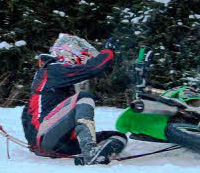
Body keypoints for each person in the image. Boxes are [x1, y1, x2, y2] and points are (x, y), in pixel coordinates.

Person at [21, 33, 127, 165]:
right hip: (45, 137)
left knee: (118, 136)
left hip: (60, 142)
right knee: (83, 97)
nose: (80, 62)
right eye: (80, 58)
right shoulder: (53, 69)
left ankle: (100, 155)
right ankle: (90, 151)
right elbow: (93, 68)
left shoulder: (51, 74)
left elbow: (26, 113)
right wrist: (108, 51)